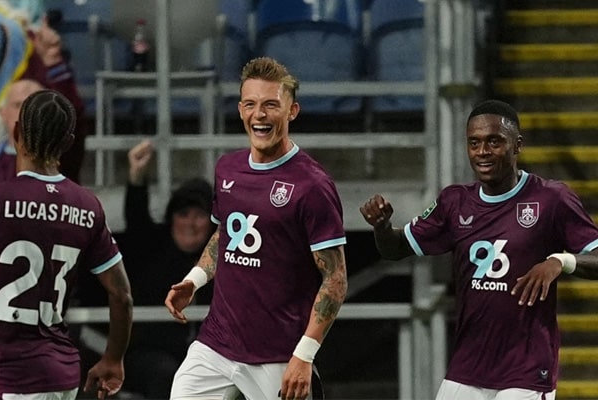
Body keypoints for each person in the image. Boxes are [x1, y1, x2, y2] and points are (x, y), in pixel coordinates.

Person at [360, 99, 598, 400]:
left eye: (494, 142)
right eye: (474, 143)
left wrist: (559, 261)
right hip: (468, 367)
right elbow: (395, 249)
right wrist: (382, 227)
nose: (482, 151)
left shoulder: (551, 198)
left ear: (517, 145)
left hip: (526, 370)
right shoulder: (454, 202)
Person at [164, 56, 348, 400]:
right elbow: (225, 235)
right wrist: (194, 280)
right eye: (250, 104)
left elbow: (335, 279)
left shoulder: (312, 185)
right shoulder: (227, 168)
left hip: (279, 355)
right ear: (240, 110)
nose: (259, 114)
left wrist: (304, 355)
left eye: (270, 105)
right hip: (216, 346)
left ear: (292, 111)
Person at [0, 89, 133, 399]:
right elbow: (122, 295)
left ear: (16, 132)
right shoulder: (87, 206)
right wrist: (113, 358)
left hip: (10, 375)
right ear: (68, 142)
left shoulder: (1, 200)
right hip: (61, 375)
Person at [122, 138, 216, 398]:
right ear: (171, 217)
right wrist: (137, 177)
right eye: (183, 214)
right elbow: (137, 221)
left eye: (199, 215)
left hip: (206, 356)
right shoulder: (153, 247)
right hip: (150, 355)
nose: (190, 224)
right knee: (168, 374)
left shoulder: (221, 257)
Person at [0, 7, 87, 183]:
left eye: (34, 106)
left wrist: (52, 61)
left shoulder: (59, 160)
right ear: (3, 113)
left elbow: (71, 116)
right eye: (17, 105)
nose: (25, 113)